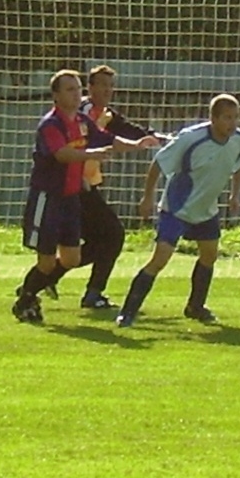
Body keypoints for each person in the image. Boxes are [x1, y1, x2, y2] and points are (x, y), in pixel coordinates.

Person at [12, 69, 158, 323]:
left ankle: (28, 295)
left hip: (70, 198)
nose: (76, 93)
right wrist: (92, 154)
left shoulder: (81, 121)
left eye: (78, 88)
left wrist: (136, 144)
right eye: (70, 89)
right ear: (55, 95)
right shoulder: (51, 124)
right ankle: (26, 298)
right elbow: (62, 154)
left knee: (71, 258)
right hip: (48, 198)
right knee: (46, 262)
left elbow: (107, 139)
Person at [41, 64, 170, 309]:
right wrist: (79, 175)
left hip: (87, 185)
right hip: (74, 186)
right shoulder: (82, 112)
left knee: (102, 241)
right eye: (102, 84)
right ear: (89, 88)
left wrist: (154, 138)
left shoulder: (106, 114)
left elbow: (128, 130)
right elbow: (70, 146)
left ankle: (47, 280)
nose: (108, 90)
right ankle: (84, 291)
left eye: (111, 85)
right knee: (112, 235)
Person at [115, 93, 240, 328]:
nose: (233, 123)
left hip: (206, 209)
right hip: (176, 208)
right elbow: (158, 162)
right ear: (213, 118)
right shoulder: (191, 138)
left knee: (209, 255)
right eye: (227, 117)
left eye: (236, 117)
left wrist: (234, 194)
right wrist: (147, 197)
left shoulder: (238, 139)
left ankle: (195, 307)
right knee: (160, 259)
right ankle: (128, 312)